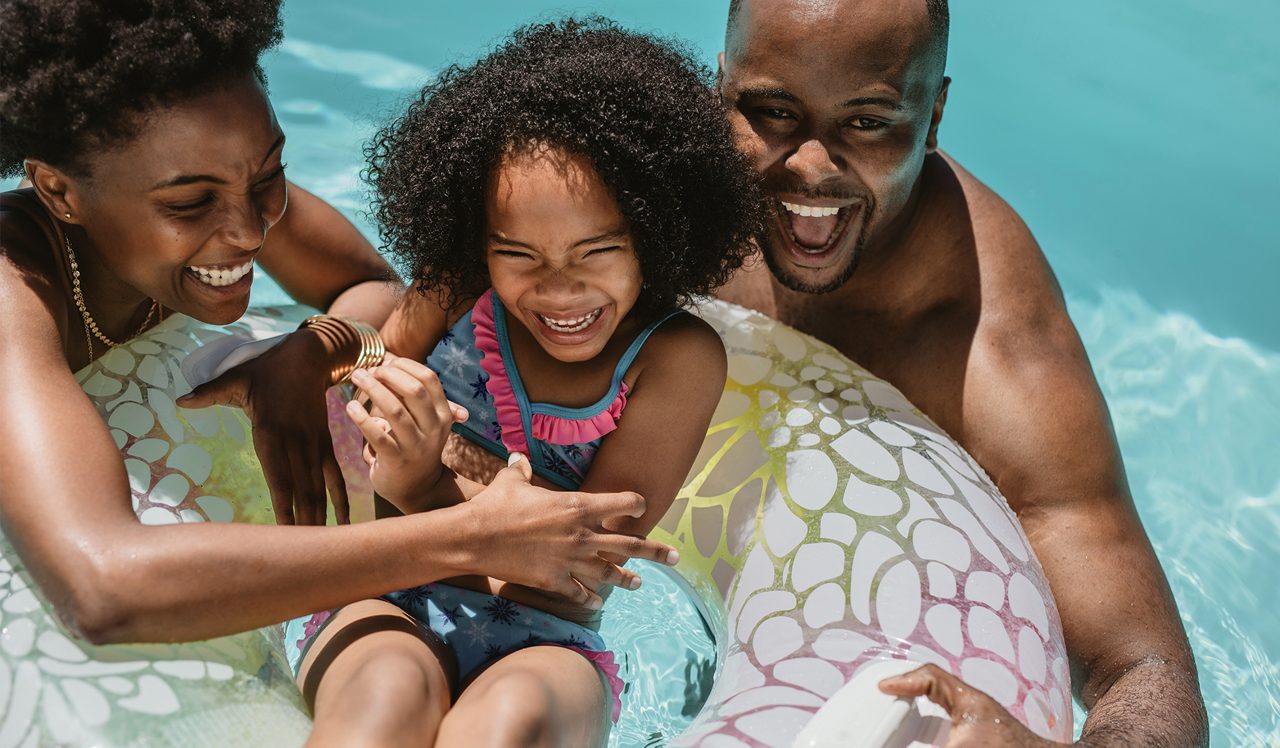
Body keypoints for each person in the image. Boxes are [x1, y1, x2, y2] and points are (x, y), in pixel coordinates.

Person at [0, 0, 677, 660]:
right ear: (60, 193)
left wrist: (306, 353)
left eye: (271, 174)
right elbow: (102, 588)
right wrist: (468, 534)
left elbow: (376, 290)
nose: (250, 228)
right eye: (189, 203)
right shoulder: (14, 293)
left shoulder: (231, 188)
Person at [715, 1, 1208, 745]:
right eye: (774, 110)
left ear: (936, 112)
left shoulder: (990, 351)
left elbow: (1143, 671)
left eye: (869, 121)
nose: (811, 167)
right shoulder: (667, 186)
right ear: (721, 85)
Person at [287, 19, 762, 748]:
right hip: (390, 592)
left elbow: (587, 556)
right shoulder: (457, 287)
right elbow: (372, 378)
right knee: (384, 697)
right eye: (518, 254)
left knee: (507, 723)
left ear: (659, 232)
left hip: (551, 641)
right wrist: (344, 377)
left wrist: (424, 486)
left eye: (597, 250)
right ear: (478, 242)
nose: (559, 288)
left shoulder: (675, 356)